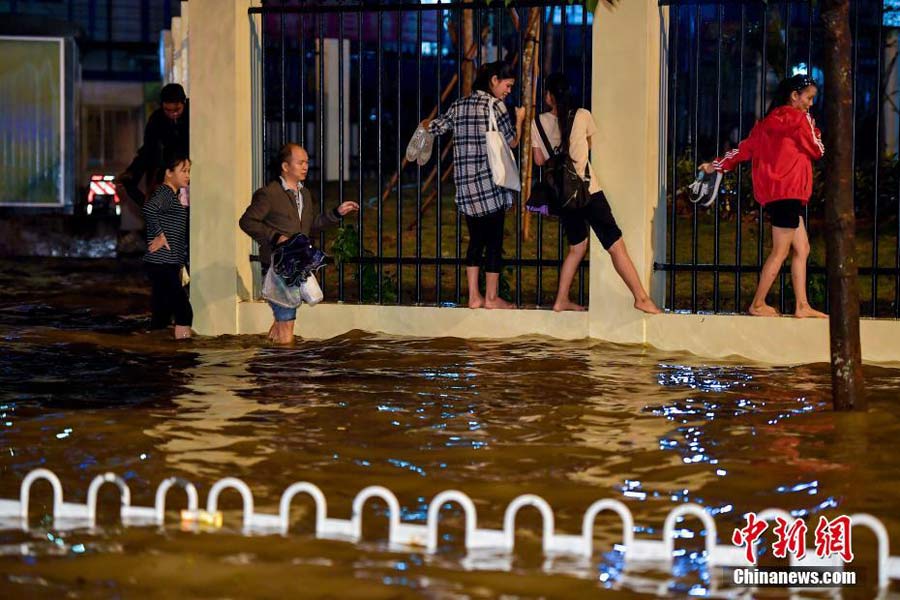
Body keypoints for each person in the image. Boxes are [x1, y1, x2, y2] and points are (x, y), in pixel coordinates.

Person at [700, 74, 826, 318]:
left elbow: (742, 150)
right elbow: (817, 149)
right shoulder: (800, 120)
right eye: (809, 98)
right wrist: (809, 121)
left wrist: (716, 165)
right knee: (781, 251)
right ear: (794, 96)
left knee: (803, 248)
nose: (810, 104)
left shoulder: (765, 124)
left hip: (776, 195)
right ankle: (758, 304)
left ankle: (802, 305)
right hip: (789, 193)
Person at [531, 73, 660, 314]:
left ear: (549, 97)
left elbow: (539, 160)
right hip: (587, 191)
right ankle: (640, 297)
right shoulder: (581, 115)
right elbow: (588, 146)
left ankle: (561, 300)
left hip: (563, 197)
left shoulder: (537, 123)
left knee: (577, 247)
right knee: (615, 244)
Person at [422, 60, 526, 309]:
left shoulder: (459, 105)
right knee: (494, 242)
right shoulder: (496, 106)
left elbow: (436, 127)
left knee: (475, 241)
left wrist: (424, 125)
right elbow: (512, 142)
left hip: (466, 188)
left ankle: (473, 297)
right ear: (494, 80)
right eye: (507, 85)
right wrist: (520, 119)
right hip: (489, 187)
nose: (508, 90)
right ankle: (491, 298)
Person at [239, 144, 359, 344]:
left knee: (281, 323)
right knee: (286, 325)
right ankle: (287, 371)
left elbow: (309, 227)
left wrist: (336, 214)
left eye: (307, 162)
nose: (306, 166)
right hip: (278, 267)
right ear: (285, 166)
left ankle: (268, 366)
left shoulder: (304, 194)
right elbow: (247, 221)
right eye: (300, 162)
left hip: (297, 265)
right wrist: (275, 237)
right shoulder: (269, 193)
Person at [143, 154, 193, 339]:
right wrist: (159, 235)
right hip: (161, 264)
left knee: (161, 314)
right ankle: (184, 357)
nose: (188, 175)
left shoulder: (173, 195)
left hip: (168, 264)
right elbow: (149, 209)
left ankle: (157, 354)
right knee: (183, 311)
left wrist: (180, 265)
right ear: (168, 173)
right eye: (183, 171)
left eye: (189, 171)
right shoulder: (165, 193)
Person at [118, 83, 190, 206]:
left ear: (184, 103)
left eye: (177, 110)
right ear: (162, 106)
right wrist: (132, 174)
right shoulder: (157, 119)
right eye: (168, 110)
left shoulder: (193, 113)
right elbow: (148, 150)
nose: (173, 114)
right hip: (169, 167)